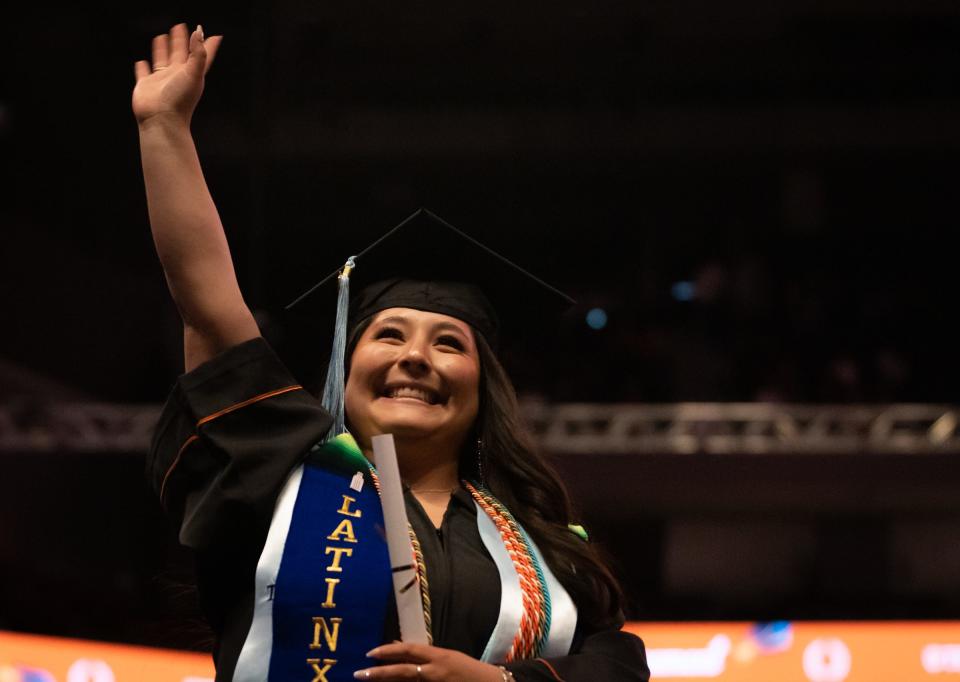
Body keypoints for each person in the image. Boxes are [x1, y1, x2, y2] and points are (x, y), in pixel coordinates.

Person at [134, 23, 649, 682]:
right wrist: (164, 131)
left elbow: (618, 669)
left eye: (448, 343)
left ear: (481, 386)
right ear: (343, 377)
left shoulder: (546, 551)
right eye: (388, 334)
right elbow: (208, 308)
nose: (415, 357)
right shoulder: (278, 483)